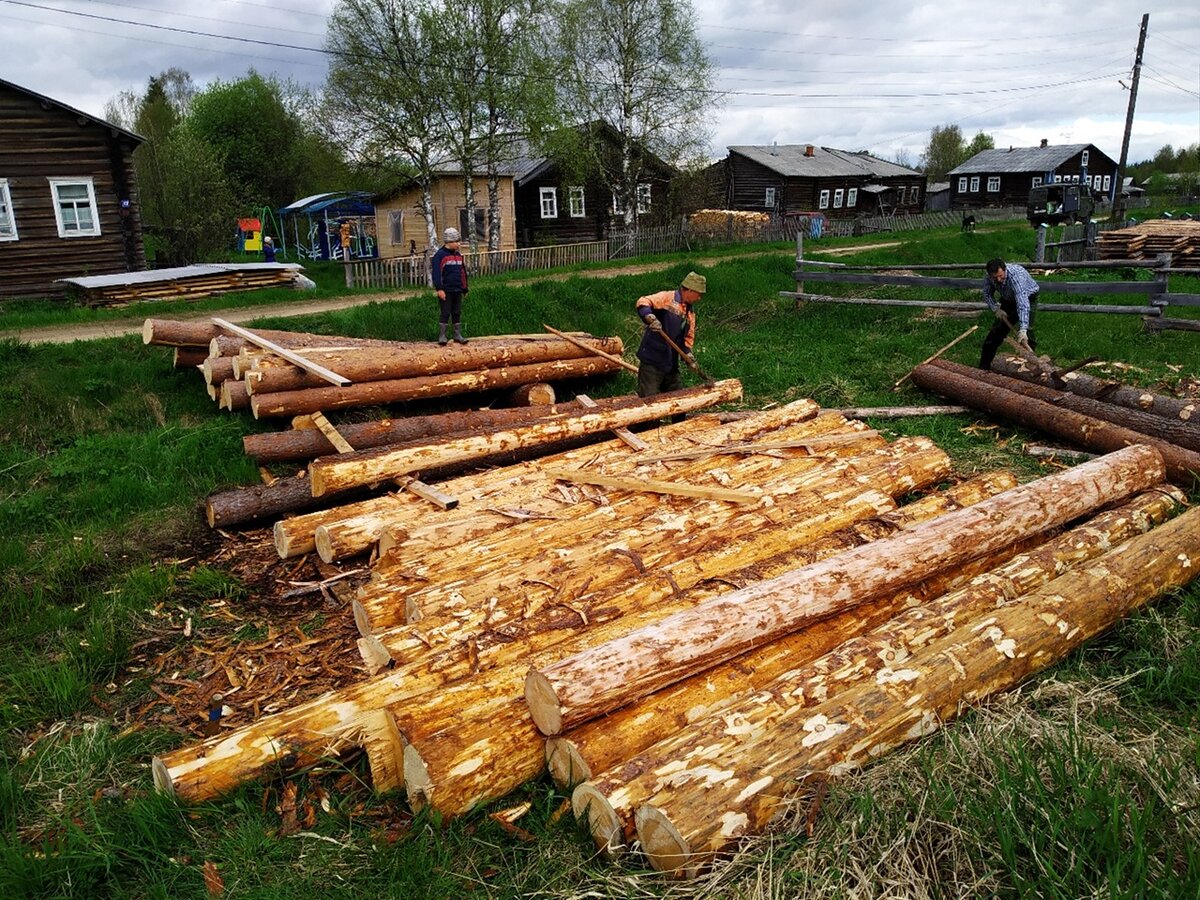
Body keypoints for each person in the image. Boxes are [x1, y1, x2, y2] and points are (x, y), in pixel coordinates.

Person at [635, 271, 705, 397]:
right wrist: (649, 316)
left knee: (678, 400)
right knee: (649, 401)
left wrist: (688, 355)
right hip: (653, 360)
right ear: (689, 290)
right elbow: (643, 301)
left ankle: (681, 418)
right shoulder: (667, 298)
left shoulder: (690, 314)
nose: (699, 298)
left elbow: (687, 339)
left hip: (671, 363)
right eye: (698, 294)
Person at [980, 257, 1039, 370]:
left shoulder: (1016, 277)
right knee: (996, 331)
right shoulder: (989, 277)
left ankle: (1031, 368)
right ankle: (984, 367)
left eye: (1001, 276)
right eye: (995, 277)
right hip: (1007, 299)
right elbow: (987, 294)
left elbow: (1023, 304)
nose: (998, 280)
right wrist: (996, 309)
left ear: (1005, 270)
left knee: (1027, 331)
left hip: (1028, 297)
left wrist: (1022, 330)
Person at [431, 227, 468, 345]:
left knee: (456, 312)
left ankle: (457, 334)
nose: (459, 244)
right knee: (445, 312)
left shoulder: (458, 255)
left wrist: (464, 287)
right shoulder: (440, 255)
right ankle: (442, 335)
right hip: (446, 290)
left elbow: (462, 272)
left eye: (459, 241)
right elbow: (437, 273)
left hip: (457, 289)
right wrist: (439, 288)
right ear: (449, 242)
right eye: (456, 242)